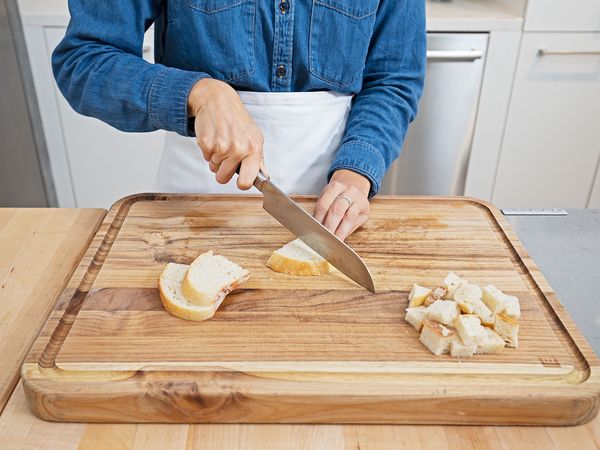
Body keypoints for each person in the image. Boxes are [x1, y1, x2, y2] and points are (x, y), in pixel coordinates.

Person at [52, 0, 425, 240]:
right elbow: (83, 60)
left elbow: (393, 79)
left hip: (333, 209)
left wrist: (355, 172)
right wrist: (198, 92)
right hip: (193, 203)